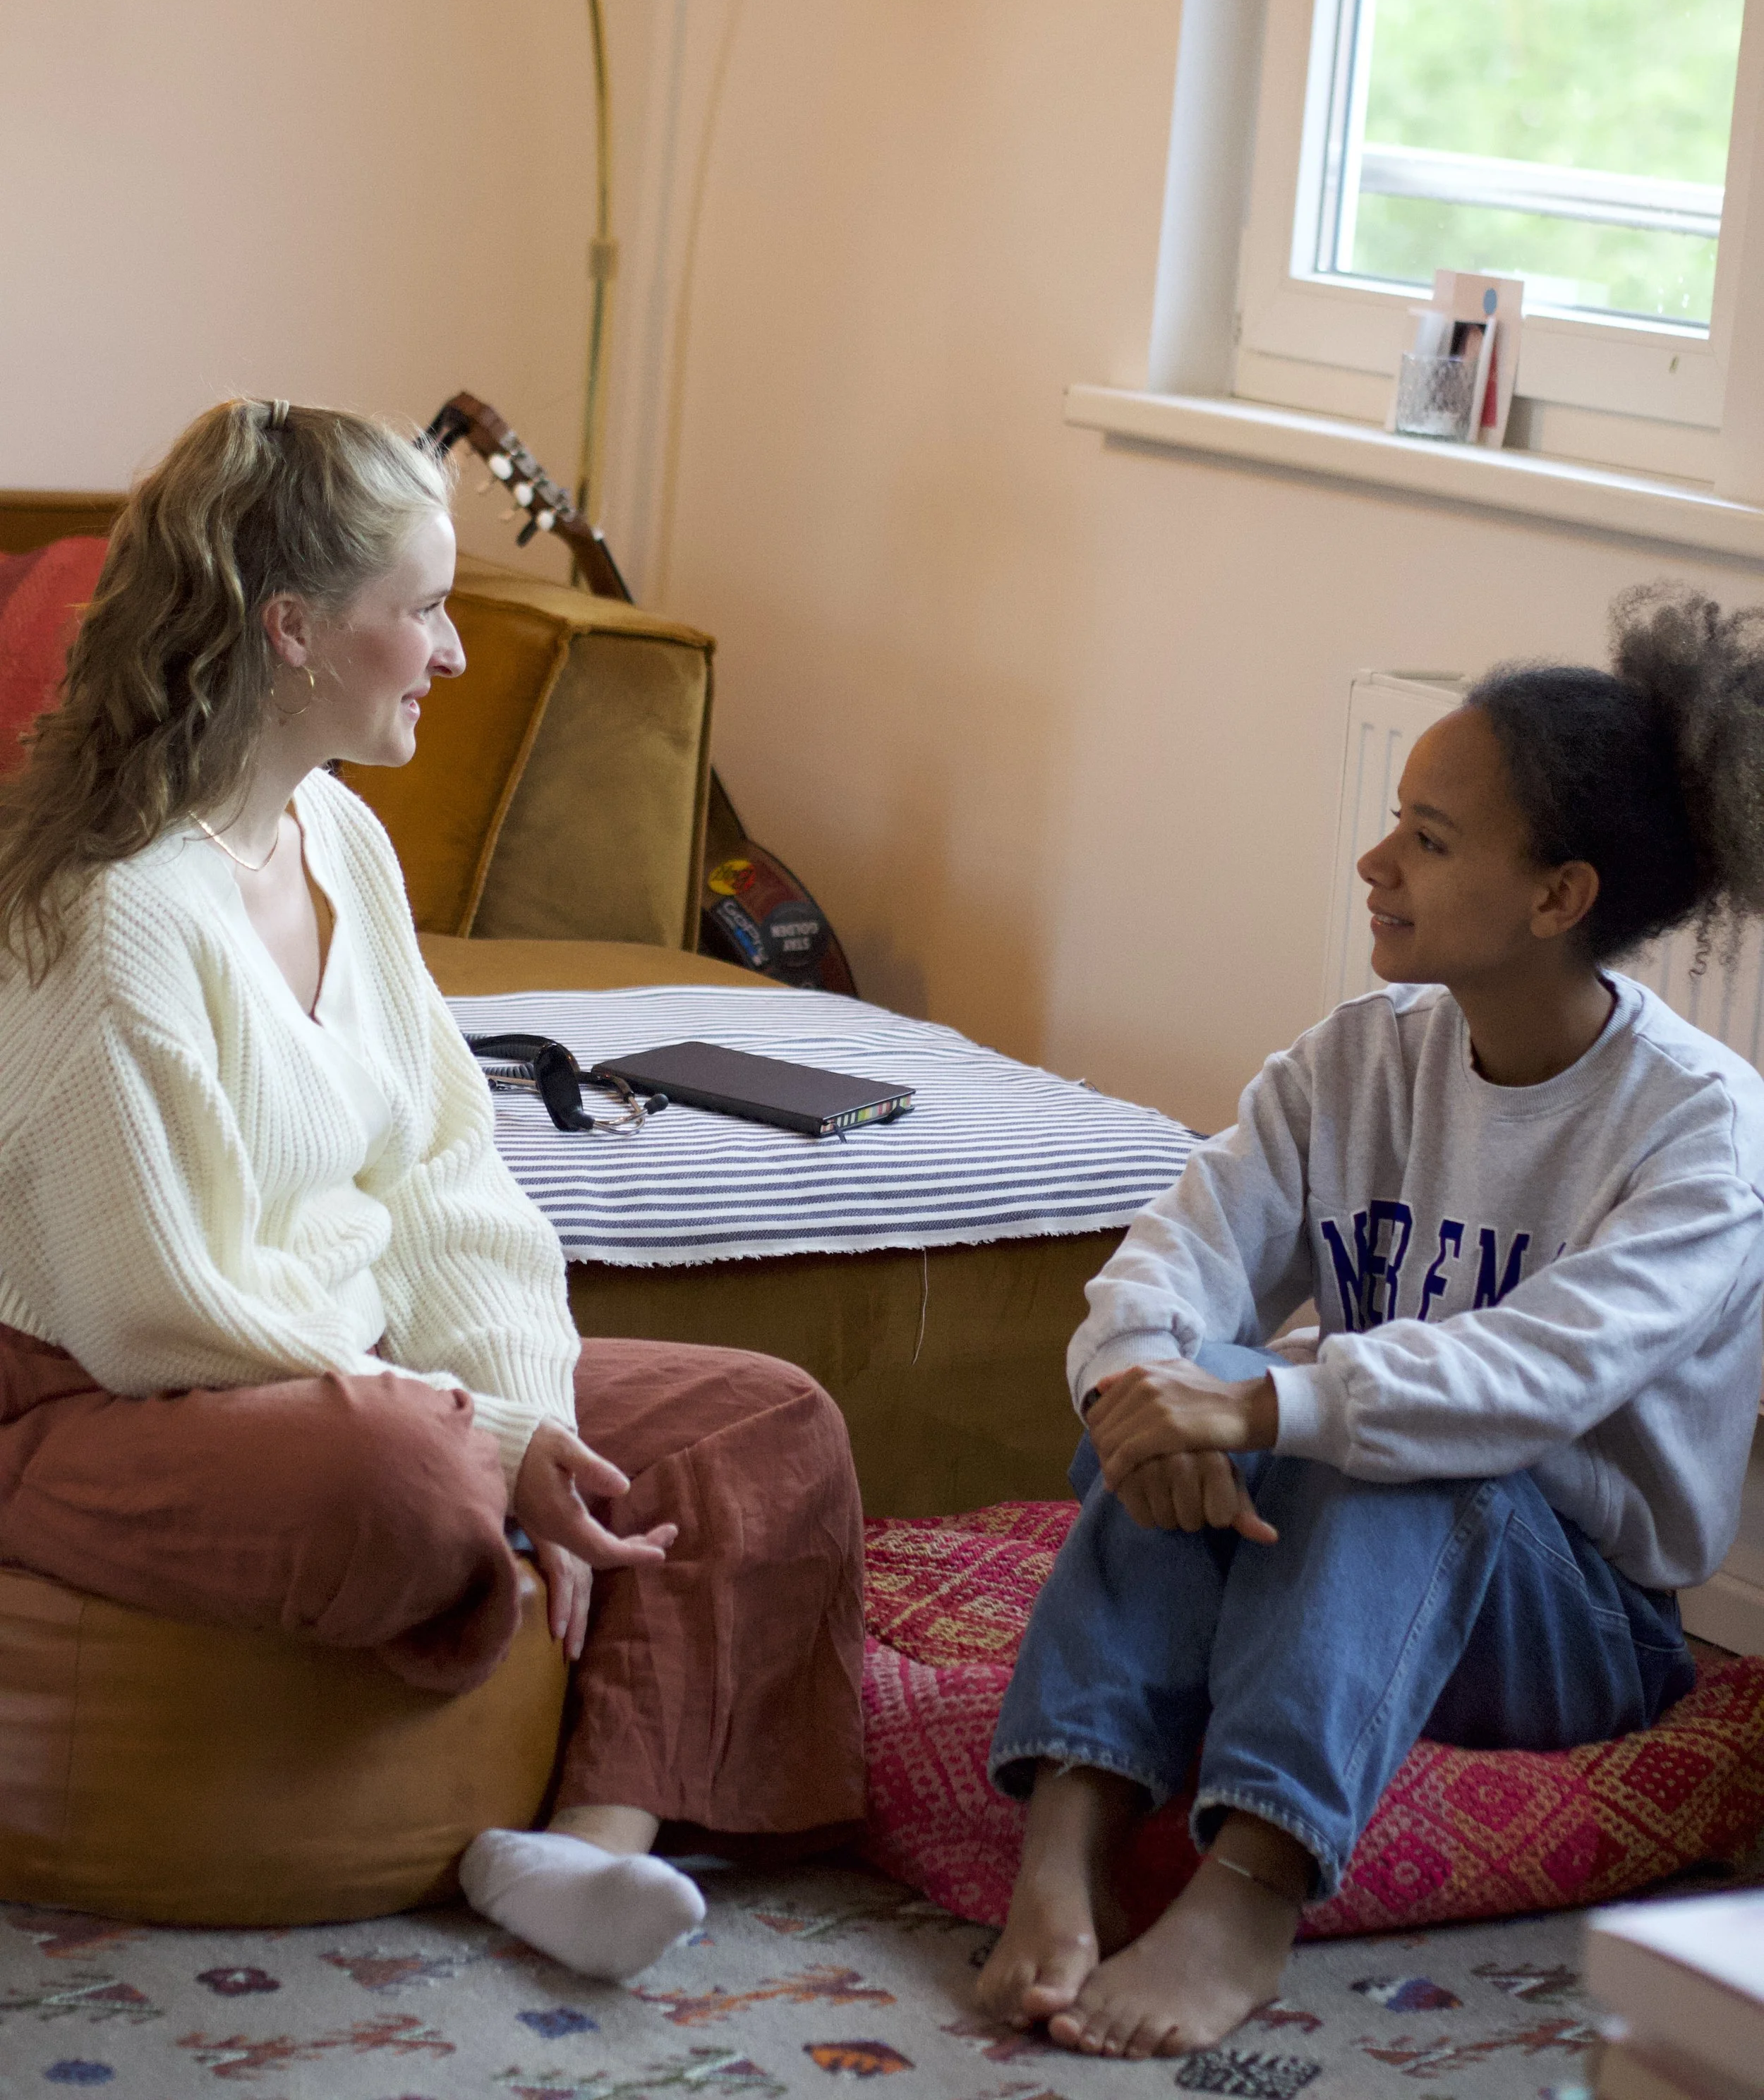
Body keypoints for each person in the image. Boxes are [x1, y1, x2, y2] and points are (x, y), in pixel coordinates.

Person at [0, 399, 864, 1981]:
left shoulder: (339, 838)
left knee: (761, 1425)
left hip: (348, 1360)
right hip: (98, 1399)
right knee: (410, 1480)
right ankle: (484, 1550)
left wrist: (528, 1415)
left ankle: (578, 1847)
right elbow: (155, 1305)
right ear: (296, 629)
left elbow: (449, 1178)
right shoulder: (113, 915)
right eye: (425, 608)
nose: (453, 653)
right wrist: (470, 1436)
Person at [975, 588, 1764, 2060]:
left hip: (1571, 1621)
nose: (1372, 859)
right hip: (1317, 1541)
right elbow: (1169, 1257)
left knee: (1391, 1438)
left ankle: (1250, 1882)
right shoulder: (1356, 1059)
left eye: (1427, 836)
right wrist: (1154, 1389)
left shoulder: (1702, 1135)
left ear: (1556, 898)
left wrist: (1263, 1407)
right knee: (1191, 1384)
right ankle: (1065, 1840)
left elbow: (1537, 1376)